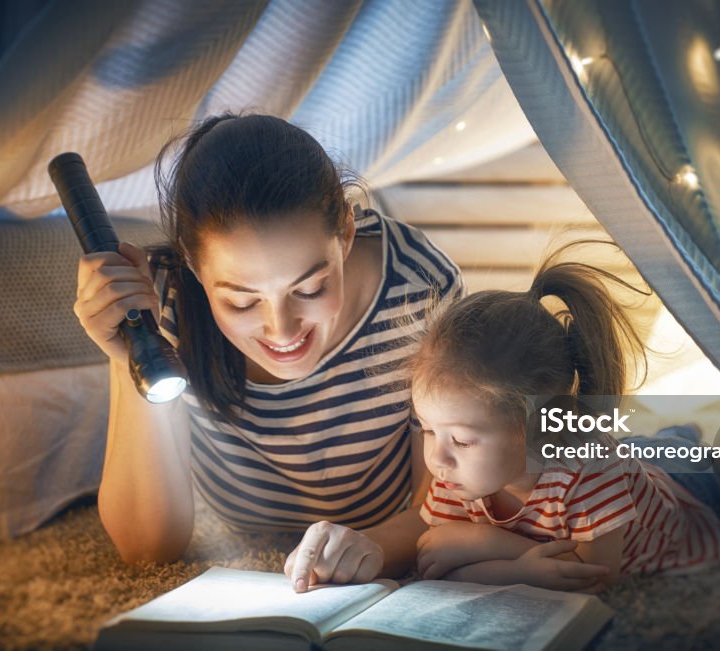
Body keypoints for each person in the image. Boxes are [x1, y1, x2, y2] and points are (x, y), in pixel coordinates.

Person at [73, 113, 462, 588]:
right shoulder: (160, 301)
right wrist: (132, 353)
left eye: (311, 288)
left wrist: (376, 545)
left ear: (344, 233)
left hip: (380, 521)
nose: (281, 331)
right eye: (240, 301)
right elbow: (147, 549)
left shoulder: (418, 284)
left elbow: (447, 502)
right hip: (242, 538)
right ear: (193, 264)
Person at [409, 249, 720, 590]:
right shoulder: (456, 472)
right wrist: (519, 564)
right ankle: (672, 438)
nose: (437, 458)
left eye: (461, 440)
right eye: (427, 429)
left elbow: (594, 576)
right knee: (645, 451)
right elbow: (437, 558)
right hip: (633, 462)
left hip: (700, 493)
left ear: (541, 423)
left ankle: (687, 446)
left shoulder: (590, 471)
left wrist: (488, 546)